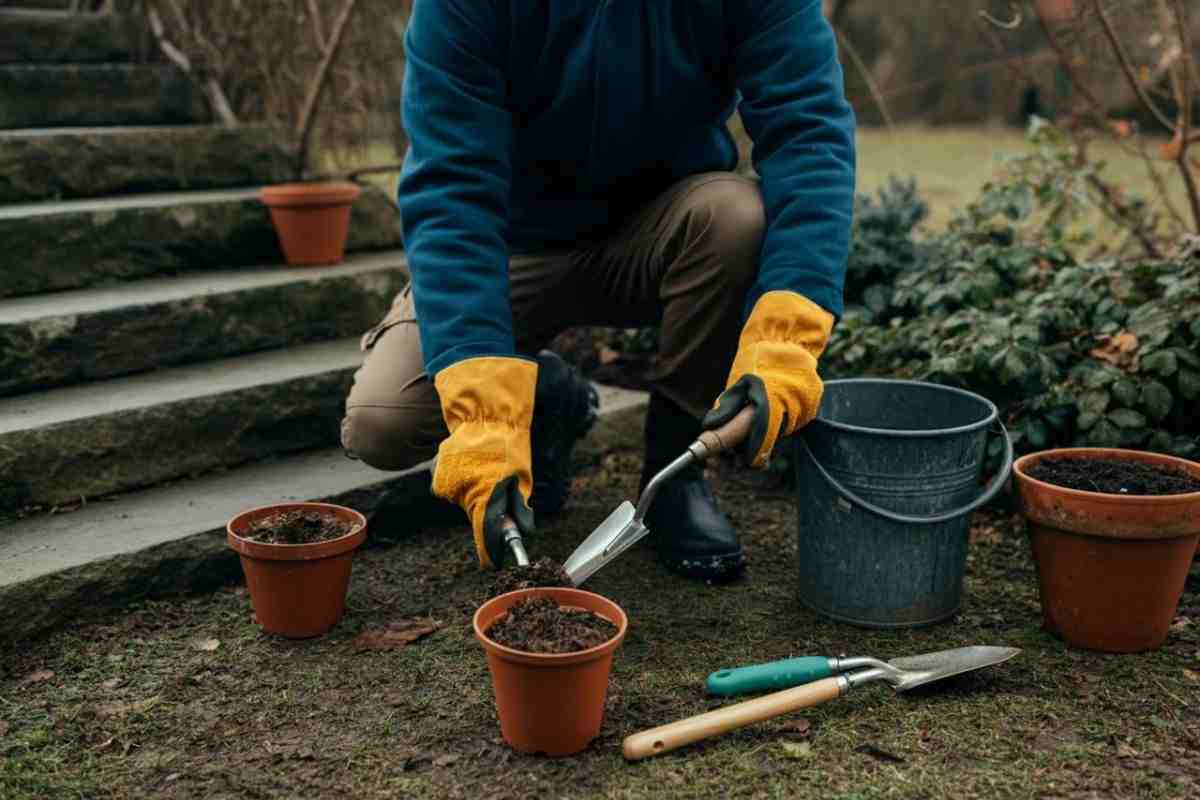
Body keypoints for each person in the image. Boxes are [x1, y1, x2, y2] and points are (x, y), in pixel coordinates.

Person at [341, 0, 856, 581]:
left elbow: (809, 134)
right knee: (381, 422)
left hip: (661, 235)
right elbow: (450, 190)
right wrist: (484, 410)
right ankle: (546, 398)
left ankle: (675, 478)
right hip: (511, 246)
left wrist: (787, 336)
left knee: (737, 218)